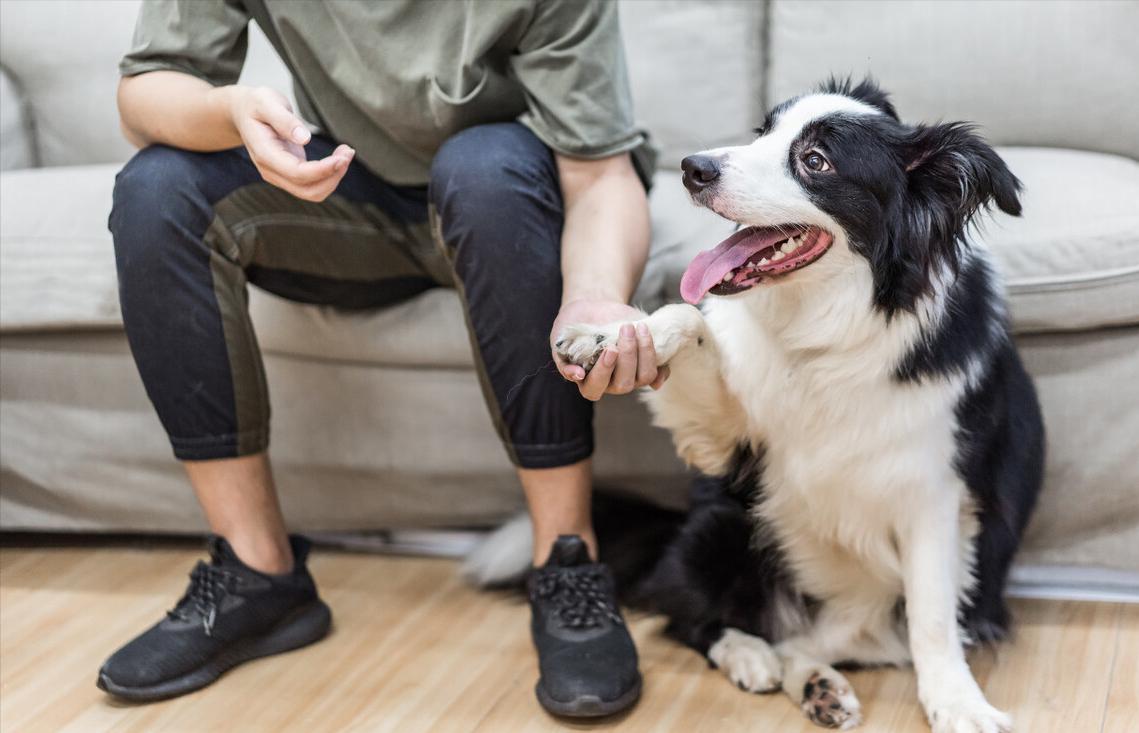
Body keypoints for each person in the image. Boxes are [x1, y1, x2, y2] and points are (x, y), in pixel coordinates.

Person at [97, 0, 661, 718]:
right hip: (351, 198)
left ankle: (568, 563)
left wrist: (592, 298)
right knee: (156, 190)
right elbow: (144, 92)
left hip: (512, 200)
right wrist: (230, 108)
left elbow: (600, 175)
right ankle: (256, 573)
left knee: (482, 163)